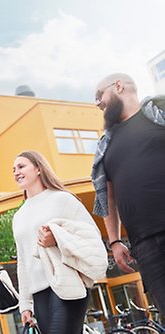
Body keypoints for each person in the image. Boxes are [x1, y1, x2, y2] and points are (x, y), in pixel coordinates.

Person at [91, 73, 165, 314]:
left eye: (99, 95)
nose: (98, 104)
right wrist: (114, 240)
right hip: (144, 244)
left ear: (119, 87)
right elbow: (107, 197)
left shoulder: (158, 113)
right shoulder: (106, 145)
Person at [13, 151, 107, 334]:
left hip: (67, 282)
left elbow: (91, 236)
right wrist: (25, 303)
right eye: (14, 169)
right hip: (39, 292)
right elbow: (22, 262)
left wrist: (57, 239)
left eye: (21, 166)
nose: (16, 172)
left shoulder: (62, 199)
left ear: (38, 168)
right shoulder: (18, 216)